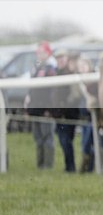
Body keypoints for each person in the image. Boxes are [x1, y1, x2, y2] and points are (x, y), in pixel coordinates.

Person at [25, 41, 57, 169]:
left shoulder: (51, 67)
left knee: (47, 137)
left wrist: (50, 108)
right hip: (35, 107)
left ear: (48, 53)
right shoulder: (36, 66)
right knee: (38, 137)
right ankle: (40, 164)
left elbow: (52, 91)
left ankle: (48, 165)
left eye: (42, 52)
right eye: (38, 52)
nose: (39, 55)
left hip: (46, 109)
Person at [51, 50, 82, 173]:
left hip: (68, 114)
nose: (60, 61)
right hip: (59, 114)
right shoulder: (56, 73)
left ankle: (71, 167)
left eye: (62, 58)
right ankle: (69, 166)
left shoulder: (70, 73)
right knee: (64, 141)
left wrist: (64, 106)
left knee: (66, 141)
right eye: (58, 58)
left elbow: (75, 95)